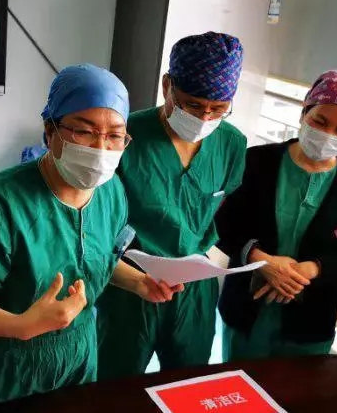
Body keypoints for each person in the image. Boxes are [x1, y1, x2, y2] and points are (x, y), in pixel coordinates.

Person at [0, 64, 181, 410]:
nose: (101, 148)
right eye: (84, 131)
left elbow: (94, 258)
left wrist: (140, 282)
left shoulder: (111, 192)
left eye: (115, 135)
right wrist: (22, 325)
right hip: (7, 365)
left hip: (79, 354)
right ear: (50, 130)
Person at [96, 32, 246, 379]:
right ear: (167, 86)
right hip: (131, 279)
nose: (205, 117)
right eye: (192, 105)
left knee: (189, 380)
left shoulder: (231, 143)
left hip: (194, 283)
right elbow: (99, 216)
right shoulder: (125, 136)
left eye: (218, 109)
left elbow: (223, 207)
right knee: (117, 380)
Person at [216, 70, 337, 359]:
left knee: (297, 387)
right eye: (319, 121)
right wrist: (260, 259)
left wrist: (312, 269)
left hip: (310, 321)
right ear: (304, 112)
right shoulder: (256, 161)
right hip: (246, 309)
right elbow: (223, 224)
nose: (327, 135)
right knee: (237, 379)